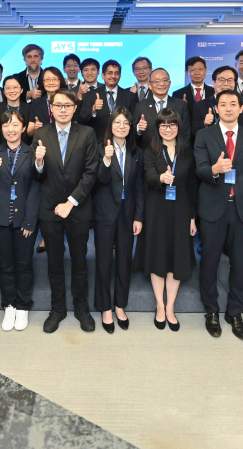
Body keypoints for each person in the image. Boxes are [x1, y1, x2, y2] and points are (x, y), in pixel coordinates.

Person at [194, 89, 243, 340]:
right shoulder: (204, 135)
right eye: (223, 104)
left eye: (233, 104)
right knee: (209, 261)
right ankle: (211, 310)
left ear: (241, 108)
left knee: (240, 263)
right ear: (216, 109)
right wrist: (214, 168)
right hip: (213, 208)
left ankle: (235, 312)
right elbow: (199, 170)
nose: (228, 108)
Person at [31, 89, 98, 334]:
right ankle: (57, 308)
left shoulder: (87, 133)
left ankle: (82, 308)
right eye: (58, 105)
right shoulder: (41, 133)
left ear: (74, 108)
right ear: (51, 108)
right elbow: (35, 175)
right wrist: (38, 162)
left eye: (67, 105)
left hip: (78, 208)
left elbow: (91, 172)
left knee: (80, 260)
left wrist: (71, 202)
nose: (62, 109)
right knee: (54, 261)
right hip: (49, 209)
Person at [0, 110, 40, 332]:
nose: (10, 129)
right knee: (4, 264)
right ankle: (9, 305)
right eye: (6, 125)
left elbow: (36, 188)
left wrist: (30, 220)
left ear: (23, 128)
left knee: (23, 264)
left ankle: (23, 305)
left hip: (24, 219)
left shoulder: (32, 152)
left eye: (15, 125)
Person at [139, 108, 196, 332]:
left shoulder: (187, 152)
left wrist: (192, 217)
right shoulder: (150, 151)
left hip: (181, 209)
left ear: (178, 127)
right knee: (158, 256)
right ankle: (160, 306)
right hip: (156, 210)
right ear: (157, 128)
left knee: (176, 257)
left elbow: (192, 187)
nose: (168, 129)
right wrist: (160, 178)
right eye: (163, 125)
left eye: (172, 124)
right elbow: (148, 176)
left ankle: (170, 306)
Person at [94, 107, 145, 333]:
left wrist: (139, 216)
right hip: (105, 212)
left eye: (125, 123)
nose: (121, 126)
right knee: (104, 261)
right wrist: (106, 160)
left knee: (124, 261)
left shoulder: (137, 152)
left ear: (130, 127)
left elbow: (140, 187)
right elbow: (99, 181)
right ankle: (105, 307)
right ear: (110, 125)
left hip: (128, 213)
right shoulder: (99, 149)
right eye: (117, 122)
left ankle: (119, 305)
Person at [80, 60, 138, 144]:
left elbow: (133, 121)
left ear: (120, 76)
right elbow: (82, 120)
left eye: (116, 73)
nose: (113, 76)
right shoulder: (91, 95)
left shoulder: (129, 95)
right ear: (103, 75)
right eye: (110, 73)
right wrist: (93, 110)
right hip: (98, 144)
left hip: (123, 142)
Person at [133, 68, 190, 149]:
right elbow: (132, 133)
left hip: (175, 152)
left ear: (169, 83)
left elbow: (186, 133)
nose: (161, 84)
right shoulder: (140, 106)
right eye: (157, 81)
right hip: (148, 153)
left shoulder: (181, 105)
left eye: (165, 80)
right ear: (149, 85)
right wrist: (138, 128)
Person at [191, 65, 238, 138]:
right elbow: (193, 133)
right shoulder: (199, 105)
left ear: (235, 83)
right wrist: (204, 123)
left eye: (230, 80)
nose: (226, 84)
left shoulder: (242, 106)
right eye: (221, 80)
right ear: (213, 83)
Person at [172, 56, 214, 131]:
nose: (197, 73)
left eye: (200, 69)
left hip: (210, 134)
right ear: (186, 73)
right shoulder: (177, 94)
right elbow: (175, 119)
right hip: (187, 135)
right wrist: (182, 107)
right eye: (192, 70)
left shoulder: (214, 92)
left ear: (206, 70)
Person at [0, 76, 33, 147]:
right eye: (8, 88)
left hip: (24, 148)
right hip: (1, 148)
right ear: (4, 91)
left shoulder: (29, 108)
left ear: (21, 90)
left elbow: (30, 135)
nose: (12, 91)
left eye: (15, 87)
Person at [29, 66, 67, 134]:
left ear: (60, 81)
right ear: (43, 82)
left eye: (54, 79)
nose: (51, 83)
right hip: (42, 139)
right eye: (47, 80)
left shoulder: (68, 101)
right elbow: (29, 132)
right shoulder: (36, 102)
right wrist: (34, 127)